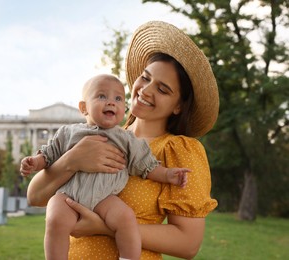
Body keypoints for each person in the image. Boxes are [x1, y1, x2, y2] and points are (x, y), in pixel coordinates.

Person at [25, 20, 219, 259]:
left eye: (162, 89)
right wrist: (72, 161)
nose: (146, 90)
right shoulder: (96, 136)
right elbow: (35, 197)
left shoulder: (178, 150)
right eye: (146, 78)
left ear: (178, 106)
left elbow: (188, 244)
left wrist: (104, 227)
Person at [21, 74, 189, 260]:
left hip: (105, 197)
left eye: (117, 98)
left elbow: (146, 165)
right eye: (102, 96)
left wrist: (168, 175)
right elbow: (49, 154)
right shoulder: (68, 132)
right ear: (84, 108)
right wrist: (34, 162)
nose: (111, 102)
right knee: (55, 219)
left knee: (126, 218)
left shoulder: (126, 139)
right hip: (68, 196)